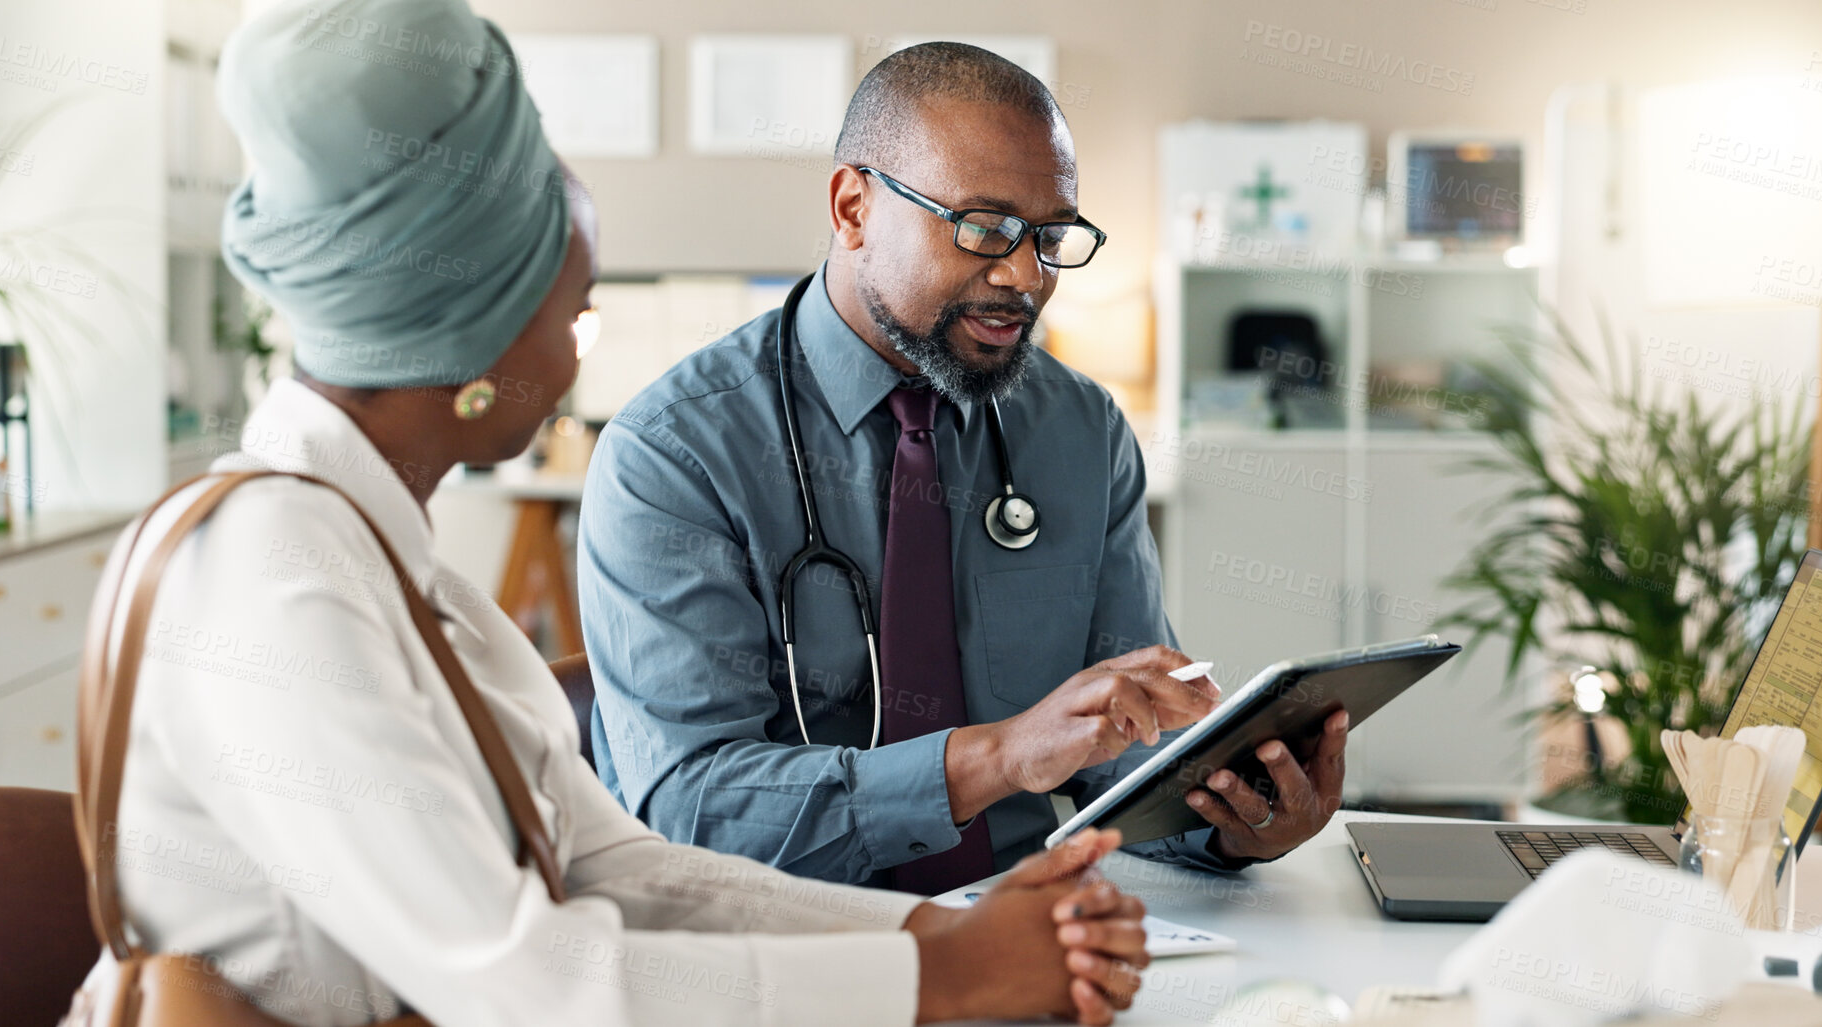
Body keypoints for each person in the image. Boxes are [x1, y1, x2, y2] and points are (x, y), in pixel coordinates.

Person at [75, 3, 1152, 1024]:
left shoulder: (389, 569)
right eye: (578, 314)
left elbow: (626, 873)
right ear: (473, 345)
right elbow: (529, 982)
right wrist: (941, 978)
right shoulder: (269, 574)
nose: (584, 353)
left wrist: (946, 933)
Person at [578, 42, 1351, 895]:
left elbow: (1119, 766)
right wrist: (1001, 755)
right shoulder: (676, 453)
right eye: (984, 227)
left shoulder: (1080, 430)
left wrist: (1234, 820)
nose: (1025, 275)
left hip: (1018, 936)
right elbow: (690, 811)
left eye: (1050, 237)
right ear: (853, 209)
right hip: (776, 948)